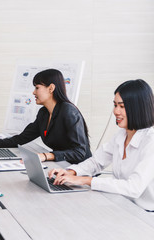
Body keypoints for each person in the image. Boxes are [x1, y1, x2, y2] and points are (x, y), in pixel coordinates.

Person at [49, 79, 154, 211]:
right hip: (121, 205)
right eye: (115, 105)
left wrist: (85, 180)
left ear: (138, 109)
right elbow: (96, 162)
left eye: (122, 106)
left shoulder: (151, 141)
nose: (116, 111)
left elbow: (133, 188)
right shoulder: (121, 135)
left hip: (145, 215)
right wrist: (70, 172)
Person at [0, 69, 91, 164]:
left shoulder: (68, 112)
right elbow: (20, 139)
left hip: (80, 170)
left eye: (37, 87)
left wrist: (46, 156)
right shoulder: (44, 113)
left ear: (51, 88)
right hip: (62, 166)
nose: (33, 92)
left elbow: (79, 152)